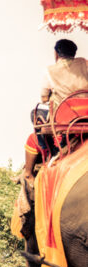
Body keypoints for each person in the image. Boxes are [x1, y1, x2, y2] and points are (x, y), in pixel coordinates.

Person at [23, 39, 88, 184]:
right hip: (86, 113)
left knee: (35, 113)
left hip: (65, 118)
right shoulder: (85, 63)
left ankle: (51, 151)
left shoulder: (49, 71)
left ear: (56, 53)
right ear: (74, 53)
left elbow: (44, 98)